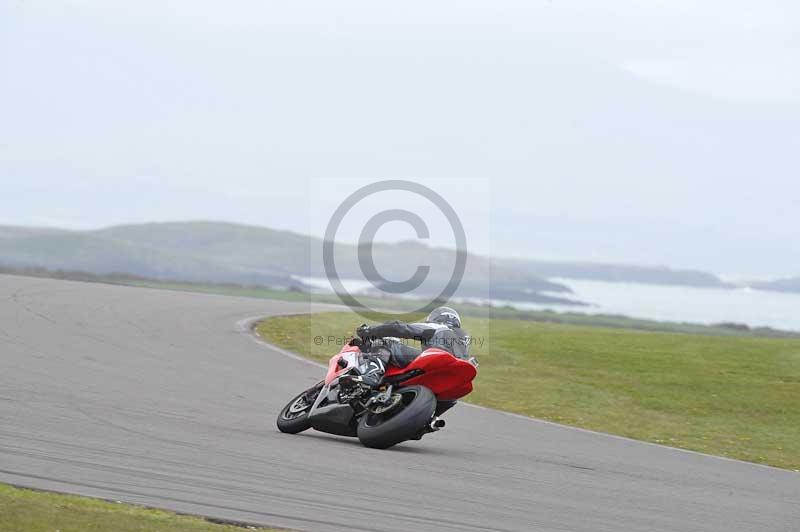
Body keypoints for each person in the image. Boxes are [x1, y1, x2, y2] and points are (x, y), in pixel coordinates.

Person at [352, 306, 470, 388]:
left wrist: (369, 331)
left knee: (386, 342)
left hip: (435, 363)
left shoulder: (437, 326)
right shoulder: (465, 338)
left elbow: (399, 328)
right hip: (452, 377)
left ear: (439, 318)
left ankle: (371, 375)